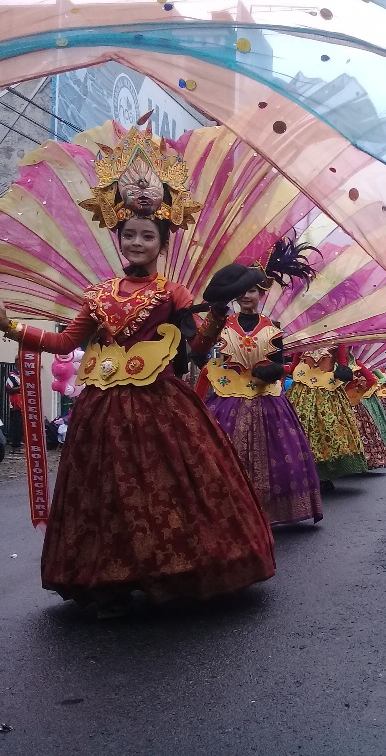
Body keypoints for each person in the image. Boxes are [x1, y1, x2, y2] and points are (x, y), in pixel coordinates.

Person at [0, 124, 275, 615]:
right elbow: (67, 342)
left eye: (147, 235)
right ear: (118, 239)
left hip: (160, 405)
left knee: (167, 490)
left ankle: (176, 571)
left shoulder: (173, 293)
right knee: (106, 493)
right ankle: (109, 579)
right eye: (129, 234)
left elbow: (196, 352)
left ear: (162, 241)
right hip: (101, 410)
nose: (137, 241)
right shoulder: (98, 295)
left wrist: (214, 312)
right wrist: (15, 327)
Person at [202, 252, 323, 526]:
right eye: (242, 291)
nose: (247, 295)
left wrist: (273, 370)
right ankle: (233, 510)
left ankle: (271, 510)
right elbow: (210, 355)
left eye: (252, 290)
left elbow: (280, 363)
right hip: (227, 398)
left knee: (277, 456)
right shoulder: (223, 325)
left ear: (261, 293)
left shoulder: (273, 329)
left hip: (266, 398)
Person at [287, 345, 366, 492]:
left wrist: (344, 371)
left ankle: (324, 475)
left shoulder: (335, 339)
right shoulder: (302, 339)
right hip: (301, 390)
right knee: (300, 431)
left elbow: (343, 364)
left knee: (328, 432)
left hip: (327, 391)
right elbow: (293, 365)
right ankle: (304, 474)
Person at [5, 364, 22, 451]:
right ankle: (15, 446)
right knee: (16, 425)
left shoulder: (25, 375)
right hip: (16, 405)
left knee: (23, 425)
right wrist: (22, 387)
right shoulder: (12, 376)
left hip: (25, 404)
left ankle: (20, 443)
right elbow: (9, 390)